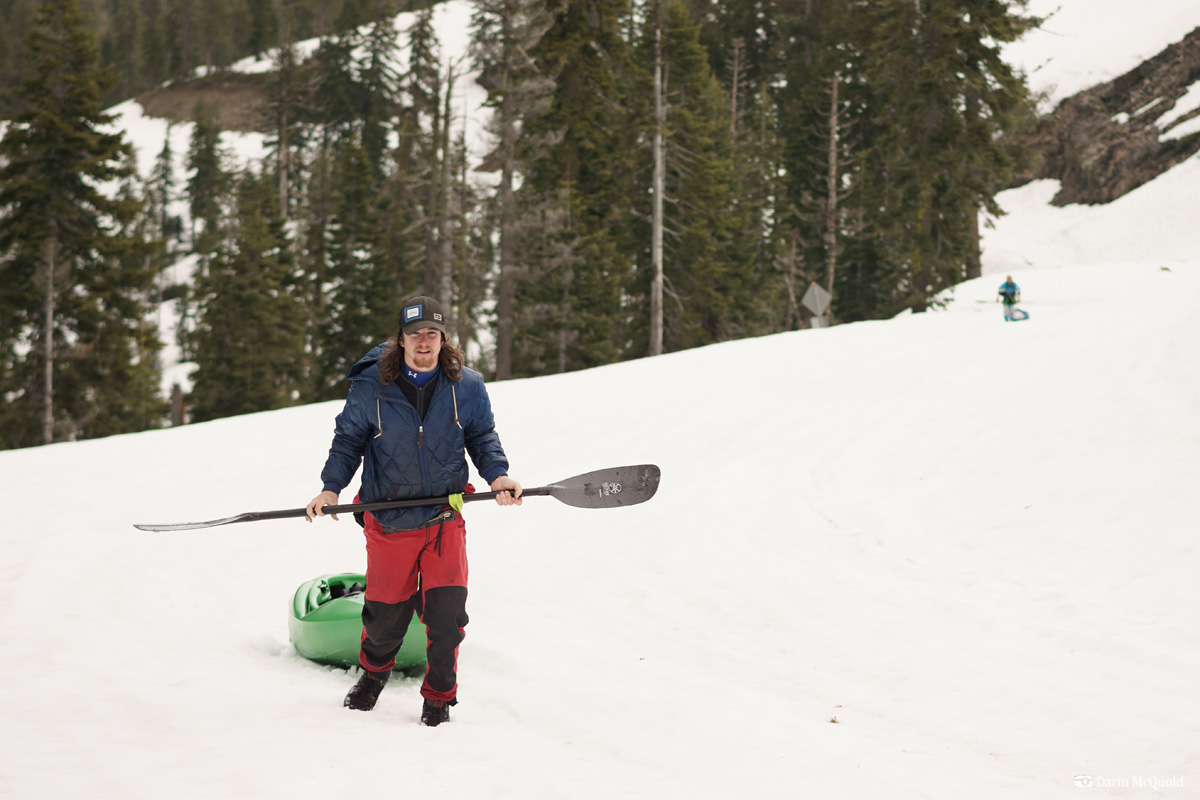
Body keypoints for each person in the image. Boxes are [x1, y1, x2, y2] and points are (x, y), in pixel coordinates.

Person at [305, 295, 522, 726]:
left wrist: (498, 476)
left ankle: (439, 698)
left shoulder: (468, 386)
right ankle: (373, 676)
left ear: (443, 339)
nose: (424, 341)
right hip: (389, 521)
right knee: (384, 619)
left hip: (445, 519)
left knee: (447, 620)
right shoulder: (371, 386)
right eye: (414, 333)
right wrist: (331, 489)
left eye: (432, 333)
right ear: (400, 339)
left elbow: (482, 437)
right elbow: (348, 440)